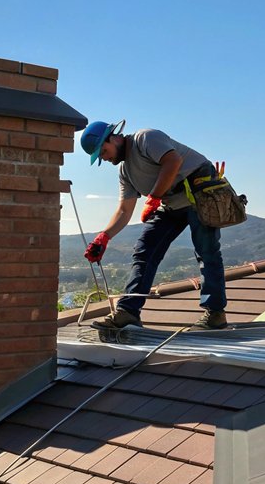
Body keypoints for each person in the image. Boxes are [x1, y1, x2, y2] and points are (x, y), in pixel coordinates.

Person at [80, 120, 228, 330]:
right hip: (170, 203)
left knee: (207, 251)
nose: (105, 158)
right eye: (100, 156)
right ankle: (128, 312)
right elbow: (124, 210)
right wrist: (103, 237)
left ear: (113, 138)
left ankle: (215, 314)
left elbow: (173, 161)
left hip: (199, 193)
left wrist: (154, 197)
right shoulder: (125, 172)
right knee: (145, 250)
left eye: (104, 151)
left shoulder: (145, 138)